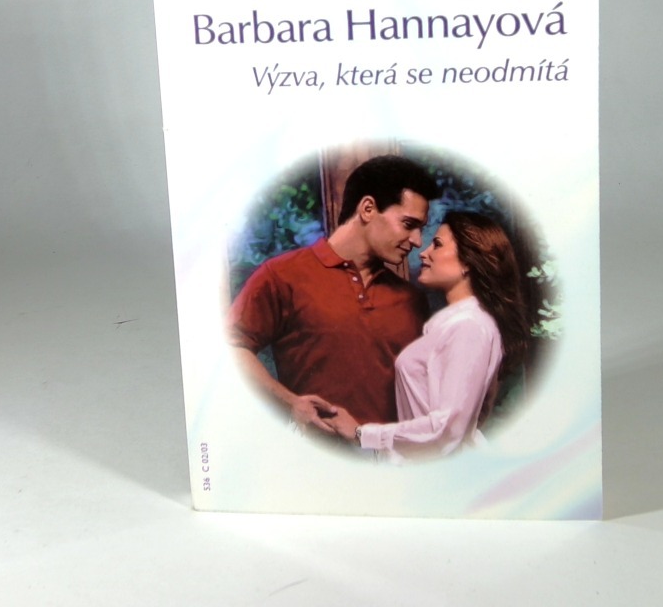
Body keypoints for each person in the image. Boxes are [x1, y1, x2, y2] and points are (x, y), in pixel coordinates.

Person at [227, 155, 441, 434]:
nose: (417, 241)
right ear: (367, 209)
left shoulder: (412, 299)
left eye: (421, 229)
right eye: (409, 224)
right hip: (313, 456)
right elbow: (230, 348)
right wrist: (290, 403)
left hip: (391, 458)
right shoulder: (281, 275)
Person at [325, 211, 529, 461]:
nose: (423, 252)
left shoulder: (469, 326)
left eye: (438, 244)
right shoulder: (456, 324)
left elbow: (448, 429)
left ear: (468, 262)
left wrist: (361, 434)